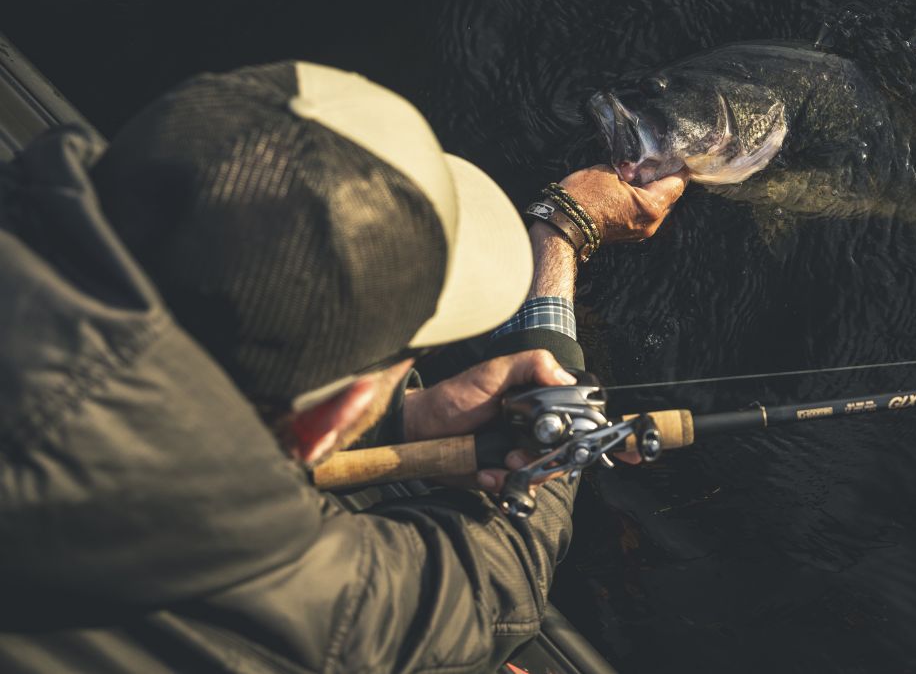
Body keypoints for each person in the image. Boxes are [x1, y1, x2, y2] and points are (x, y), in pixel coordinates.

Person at [0, 61, 686, 672]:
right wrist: (563, 231)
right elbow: (487, 582)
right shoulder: (307, 604)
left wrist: (403, 414)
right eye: (409, 353)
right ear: (325, 418)